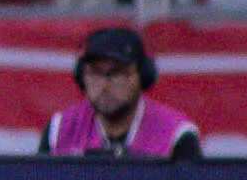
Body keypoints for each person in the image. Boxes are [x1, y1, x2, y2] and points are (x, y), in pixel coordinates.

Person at [45, 25, 203, 157]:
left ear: (142, 76)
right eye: (95, 73)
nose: (104, 84)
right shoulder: (59, 130)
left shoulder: (176, 135)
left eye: (116, 73)